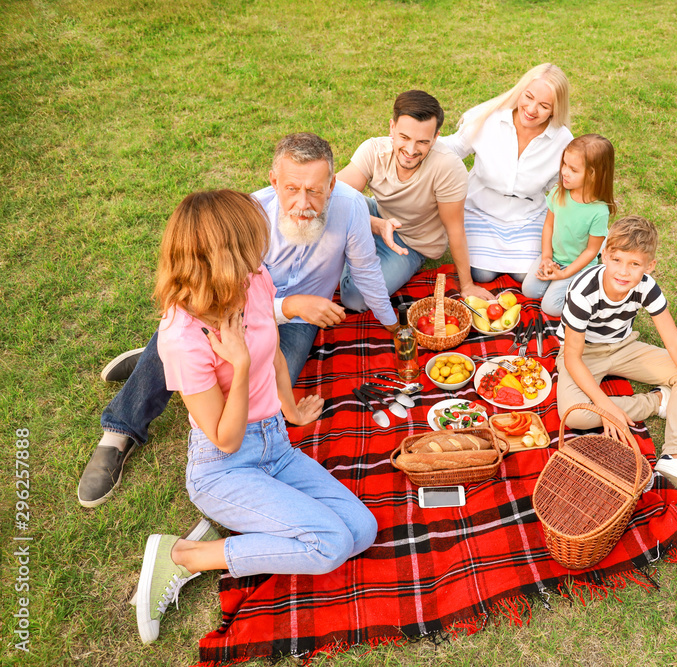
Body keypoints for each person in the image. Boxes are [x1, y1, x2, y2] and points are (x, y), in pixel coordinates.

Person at [78, 133, 397, 508]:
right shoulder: (247, 218)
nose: (303, 203)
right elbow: (214, 295)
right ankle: (120, 430)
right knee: (179, 335)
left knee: (268, 395)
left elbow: (367, 271)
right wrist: (290, 305)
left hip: (294, 321)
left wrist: (394, 325)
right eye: (292, 189)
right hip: (234, 310)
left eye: (315, 190)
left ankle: (175, 366)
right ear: (274, 181)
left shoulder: (353, 207)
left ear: (332, 183)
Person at [134, 190, 377, 644]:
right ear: (223, 254)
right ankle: (186, 555)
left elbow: (275, 354)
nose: (261, 250)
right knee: (329, 545)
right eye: (250, 242)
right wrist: (240, 365)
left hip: (276, 445)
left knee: (362, 530)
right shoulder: (183, 338)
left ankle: (253, 522)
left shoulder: (253, 279)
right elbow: (225, 438)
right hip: (223, 467)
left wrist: (289, 407)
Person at [555, 215, 677, 502]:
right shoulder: (582, 291)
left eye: (634, 264)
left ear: (649, 266)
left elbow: (673, 342)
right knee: (575, 414)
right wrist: (604, 406)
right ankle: (658, 402)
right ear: (604, 255)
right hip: (584, 353)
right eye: (616, 260)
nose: (623, 272)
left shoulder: (647, 286)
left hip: (624, 346)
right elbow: (573, 358)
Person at [336, 90, 494, 307]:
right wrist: (375, 224)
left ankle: (348, 253)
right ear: (392, 127)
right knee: (321, 207)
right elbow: (331, 194)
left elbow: (455, 228)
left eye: (422, 142)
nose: (410, 150)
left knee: (356, 298)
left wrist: (466, 285)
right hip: (377, 216)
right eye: (404, 137)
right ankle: (355, 247)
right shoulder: (373, 150)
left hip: (411, 244)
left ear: (436, 137)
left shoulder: (447, 167)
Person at [438, 63, 573, 283]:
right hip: (480, 209)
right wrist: (419, 142)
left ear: (555, 110)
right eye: (528, 97)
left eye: (544, 105)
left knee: (525, 276)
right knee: (481, 274)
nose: (531, 109)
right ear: (520, 90)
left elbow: (564, 188)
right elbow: (454, 147)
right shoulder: (489, 118)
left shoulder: (563, 140)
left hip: (526, 215)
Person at [522, 134, 616, 317]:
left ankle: (593, 291)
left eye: (573, 169)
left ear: (593, 175)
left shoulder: (599, 211)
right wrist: (547, 258)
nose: (564, 171)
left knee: (551, 307)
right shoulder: (559, 192)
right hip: (556, 257)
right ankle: (563, 284)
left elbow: (590, 252)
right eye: (564, 164)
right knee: (529, 291)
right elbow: (549, 225)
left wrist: (564, 275)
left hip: (578, 266)